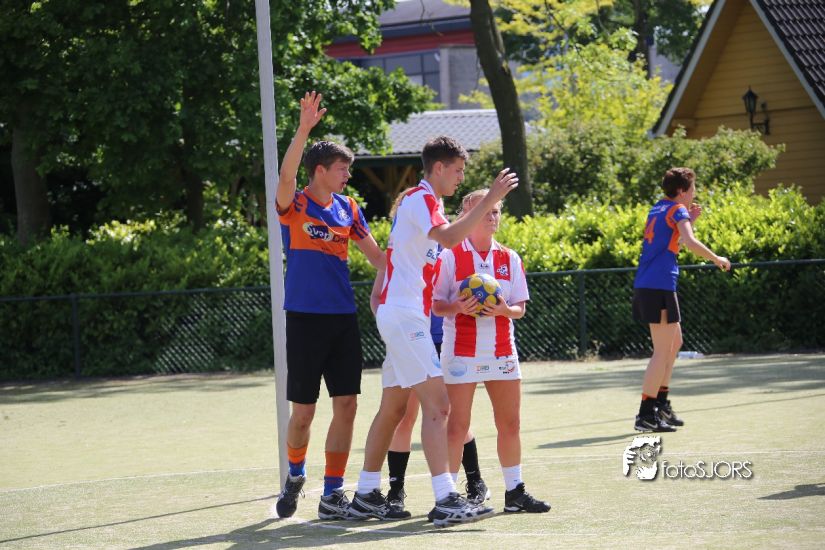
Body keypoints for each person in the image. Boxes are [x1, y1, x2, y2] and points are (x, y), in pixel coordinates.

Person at [351, 136, 518, 527]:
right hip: (406, 317)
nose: (461, 177)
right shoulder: (420, 199)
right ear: (438, 168)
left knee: (393, 409)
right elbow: (449, 238)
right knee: (440, 406)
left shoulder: (428, 204)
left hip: (404, 315)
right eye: (458, 170)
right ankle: (445, 498)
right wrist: (491, 197)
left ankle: (365, 493)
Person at [274, 91, 386, 520]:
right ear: (320, 170)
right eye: (342, 169)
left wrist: (424, 260)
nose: (347, 176)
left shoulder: (349, 208)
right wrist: (304, 128)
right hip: (305, 319)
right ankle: (296, 475)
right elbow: (286, 175)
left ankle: (332, 493)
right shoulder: (296, 203)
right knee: (303, 413)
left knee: (348, 405)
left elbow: (378, 259)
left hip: (343, 319)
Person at [371, 192, 490, 515]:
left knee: (452, 414)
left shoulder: (447, 249)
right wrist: (393, 330)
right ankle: (396, 491)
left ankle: (474, 482)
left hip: (444, 338)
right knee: (408, 415)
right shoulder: (402, 252)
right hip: (412, 336)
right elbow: (378, 296)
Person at [432, 189, 551, 514]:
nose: (491, 216)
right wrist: (458, 306)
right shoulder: (450, 256)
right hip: (461, 352)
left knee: (510, 424)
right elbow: (437, 305)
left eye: (496, 211)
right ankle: (449, 498)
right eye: (484, 210)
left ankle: (515, 492)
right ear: (466, 216)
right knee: (457, 426)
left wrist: (503, 311)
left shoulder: (509, 258)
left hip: (501, 351)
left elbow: (519, 309)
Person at [632, 167, 731, 432]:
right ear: (682, 191)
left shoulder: (659, 208)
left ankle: (660, 405)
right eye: (693, 188)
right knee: (661, 350)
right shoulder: (677, 210)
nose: (694, 192)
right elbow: (689, 242)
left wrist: (689, 220)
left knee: (674, 343)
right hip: (657, 284)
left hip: (655, 283)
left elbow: (670, 241)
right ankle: (645, 414)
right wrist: (717, 259)